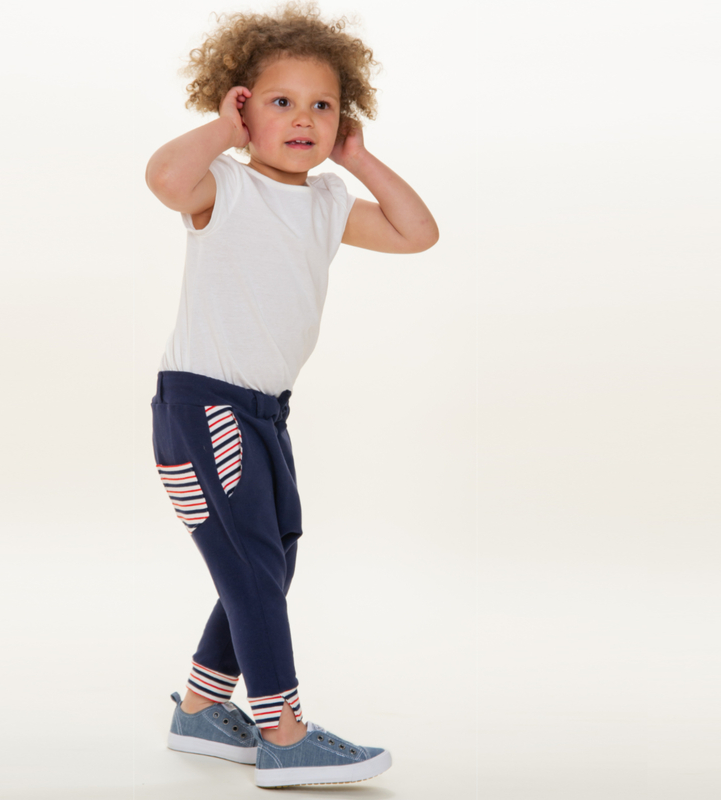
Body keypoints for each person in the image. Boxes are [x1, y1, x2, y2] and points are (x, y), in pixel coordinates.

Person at [144, 2, 438, 788]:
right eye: (280, 101)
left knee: (270, 561)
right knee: (250, 568)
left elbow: (417, 233)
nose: (303, 118)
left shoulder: (328, 202)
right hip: (204, 406)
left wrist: (358, 159)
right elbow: (165, 179)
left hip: (263, 411)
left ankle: (201, 709)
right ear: (242, 107)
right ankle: (282, 730)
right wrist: (222, 131)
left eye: (323, 105)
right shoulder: (224, 187)